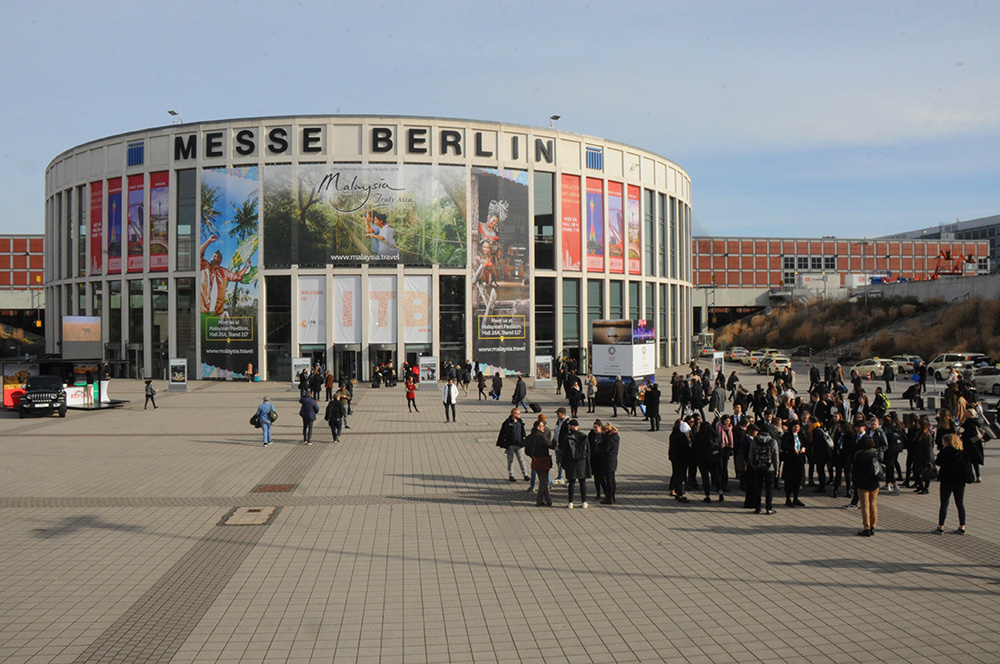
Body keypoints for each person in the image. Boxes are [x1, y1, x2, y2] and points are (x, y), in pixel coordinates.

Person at [199, 234, 251, 316]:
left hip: (216, 312)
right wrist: (209, 241)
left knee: (214, 328)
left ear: (220, 259)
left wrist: (246, 266)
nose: (214, 256)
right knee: (203, 328)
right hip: (203, 309)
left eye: (216, 256)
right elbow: (199, 254)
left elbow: (238, 276)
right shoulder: (205, 265)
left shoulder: (224, 272)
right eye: (213, 255)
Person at [934, 433, 970, 534]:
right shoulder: (963, 452)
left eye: (943, 441)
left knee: (944, 504)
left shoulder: (945, 452)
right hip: (960, 481)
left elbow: (938, 462)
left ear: (947, 442)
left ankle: (941, 527)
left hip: (946, 481)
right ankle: (962, 526)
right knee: (960, 504)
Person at [852, 436, 882, 536]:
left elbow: (855, 469)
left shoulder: (859, 455)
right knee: (873, 504)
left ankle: (867, 527)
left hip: (862, 482)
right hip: (874, 482)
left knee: (865, 505)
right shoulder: (875, 453)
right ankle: (873, 525)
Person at [747, 423, 779, 514]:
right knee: (769, 489)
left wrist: (754, 465)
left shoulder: (755, 441)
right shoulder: (772, 441)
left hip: (758, 467)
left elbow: (751, 455)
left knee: (758, 488)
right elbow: (775, 456)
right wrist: (777, 469)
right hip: (769, 468)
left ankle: (757, 507)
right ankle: (769, 508)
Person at [559, 419, 591, 508]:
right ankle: (584, 502)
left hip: (571, 461)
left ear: (571, 426)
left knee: (571, 482)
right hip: (582, 462)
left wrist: (563, 462)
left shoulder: (567, 437)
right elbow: (588, 450)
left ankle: (570, 502)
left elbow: (564, 451)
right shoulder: (584, 436)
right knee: (582, 481)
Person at [525, 416, 556, 506]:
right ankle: (539, 500)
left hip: (535, 460)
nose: (544, 428)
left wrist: (533, 456)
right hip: (543, 461)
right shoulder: (542, 437)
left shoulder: (529, 437)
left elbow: (526, 451)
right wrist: (554, 441)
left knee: (543, 480)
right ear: (538, 427)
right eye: (542, 426)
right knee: (543, 482)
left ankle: (548, 501)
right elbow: (551, 446)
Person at [496, 407, 529, 482]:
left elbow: (522, 432)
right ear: (514, 414)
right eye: (518, 413)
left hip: (519, 445)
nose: (520, 415)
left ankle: (525, 474)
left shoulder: (520, 421)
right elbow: (503, 434)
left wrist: (524, 441)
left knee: (521, 460)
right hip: (511, 445)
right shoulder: (507, 423)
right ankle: (511, 475)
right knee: (510, 460)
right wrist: (505, 445)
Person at [781, 420, 806, 507]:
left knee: (798, 480)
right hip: (790, 461)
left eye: (798, 427)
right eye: (795, 427)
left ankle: (796, 497)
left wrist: (803, 448)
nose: (796, 428)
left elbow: (806, 443)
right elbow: (783, 446)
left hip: (799, 460)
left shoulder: (801, 435)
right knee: (789, 480)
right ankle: (788, 498)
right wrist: (792, 448)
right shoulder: (787, 436)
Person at [668, 419, 691, 503]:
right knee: (679, 476)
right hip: (679, 458)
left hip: (675, 458)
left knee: (677, 475)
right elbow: (683, 447)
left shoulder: (675, 434)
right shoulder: (679, 436)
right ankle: (679, 493)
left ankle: (676, 491)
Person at [600, 422, 620, 505]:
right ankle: (612, 497)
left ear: (607, 430)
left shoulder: (609, 439)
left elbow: (606, 449)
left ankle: (609, 497)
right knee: (612, 479)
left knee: (609, 480)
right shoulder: (615, 436)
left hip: (608, 461)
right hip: (613, 460)